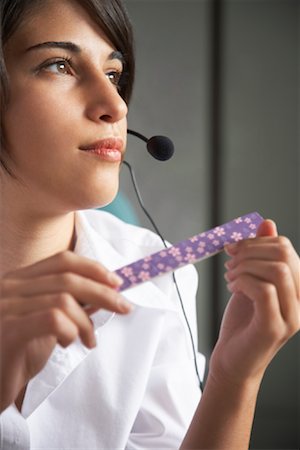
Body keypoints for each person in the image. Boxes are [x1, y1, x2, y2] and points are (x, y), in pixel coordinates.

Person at [0, 0, 299, 448]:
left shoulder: (161, 277)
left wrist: (235, 377)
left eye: (115, 74)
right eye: (59, 65)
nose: (114, 105)